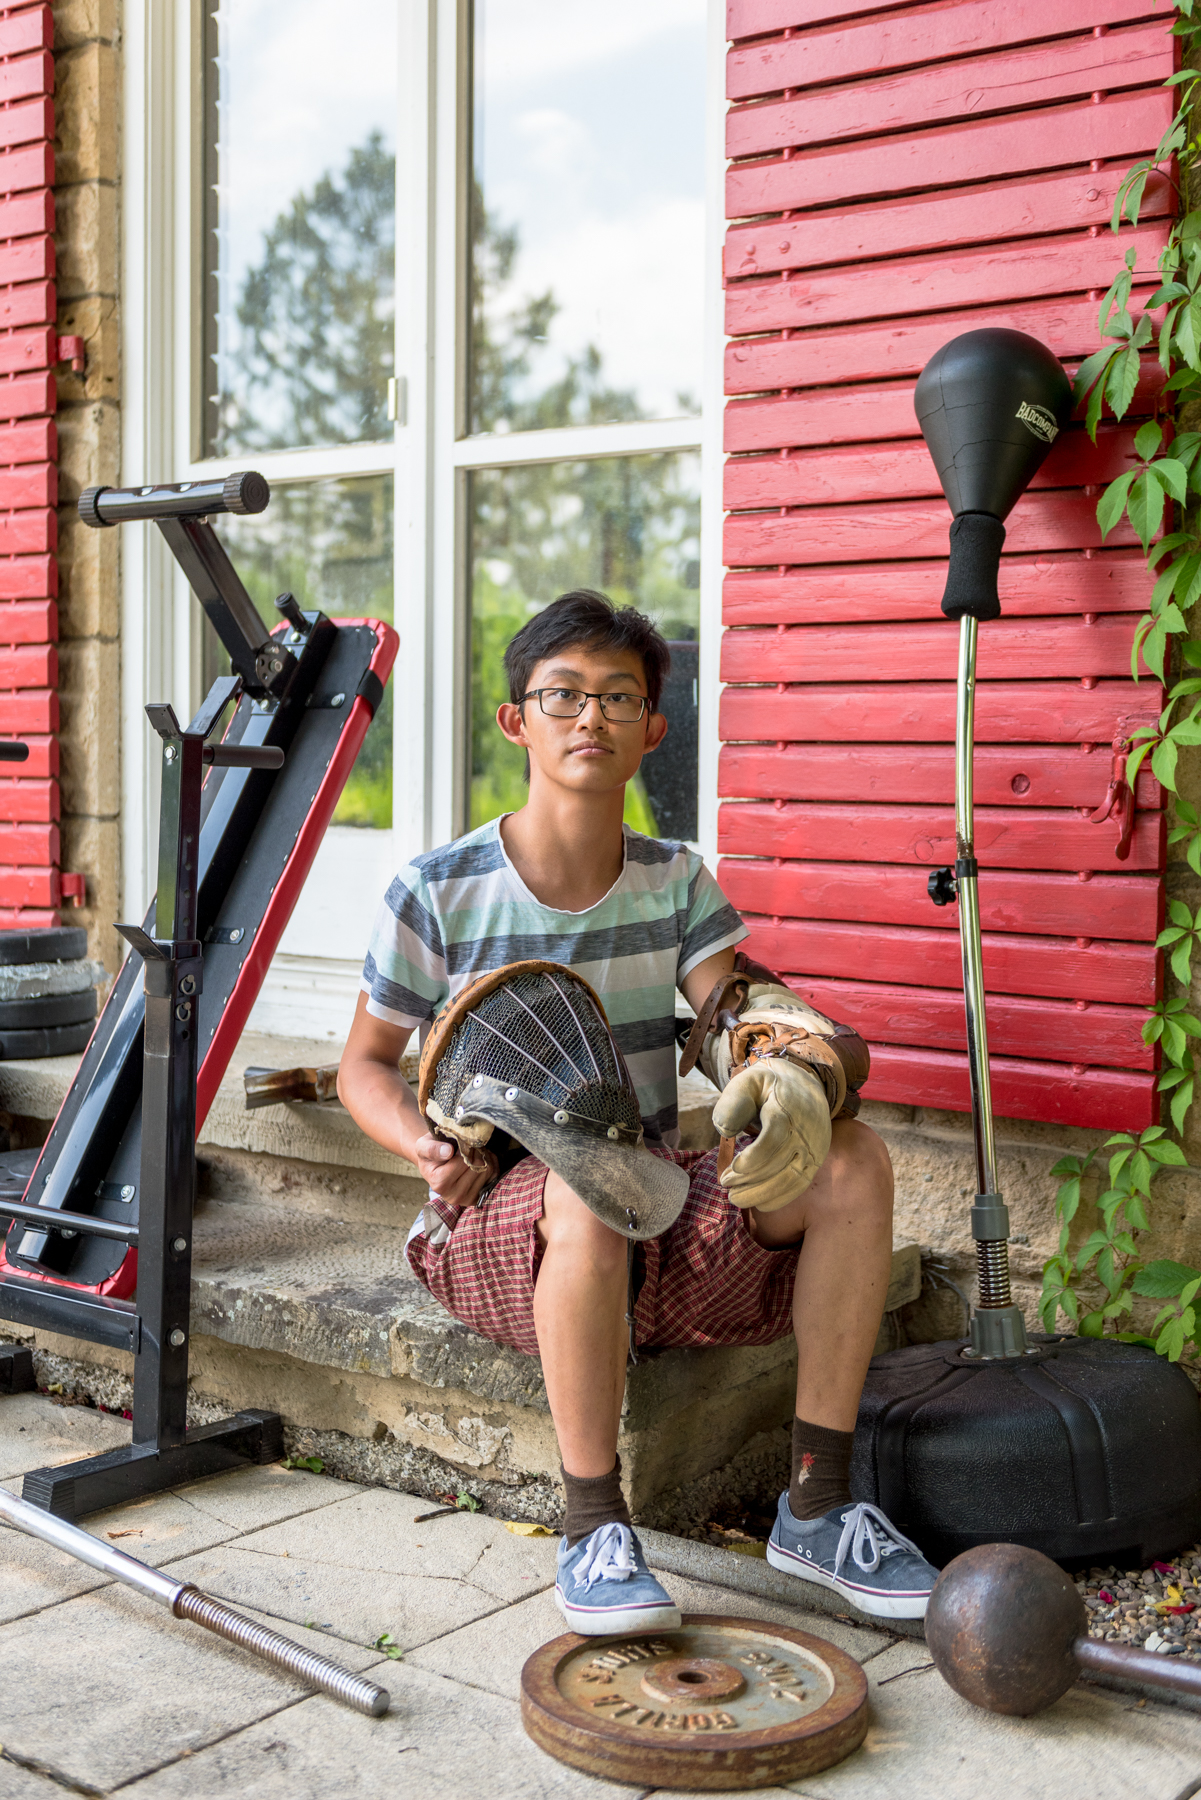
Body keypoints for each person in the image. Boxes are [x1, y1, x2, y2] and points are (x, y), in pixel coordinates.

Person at [338, 589, 939, 1631]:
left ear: (653, 730)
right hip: (493, 1227)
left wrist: (797, 1069)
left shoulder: (675, 882)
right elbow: (364, 1066)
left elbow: (740, 1011)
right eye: (563, 694)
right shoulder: (436, 891)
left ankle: (816, 1504)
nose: (592, 717)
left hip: (651, 1205)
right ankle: (592, 1528)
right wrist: (420, 1141)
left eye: (619, 697)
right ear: (515, 720)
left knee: (852, 1161)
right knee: (581, 1190)